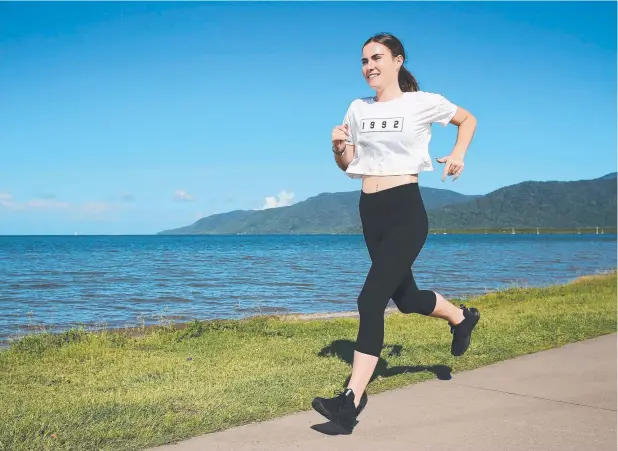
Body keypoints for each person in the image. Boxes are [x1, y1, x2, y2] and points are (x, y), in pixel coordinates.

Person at [311, 32, 481, 432]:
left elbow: (467, 119)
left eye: (377, 58)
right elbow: (350, 163)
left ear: (397, 60)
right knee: (405, 298)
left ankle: (350, 401)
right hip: (370, 211)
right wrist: (338, 148)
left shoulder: (422, 103)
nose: (369, 66)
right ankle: (461, 317)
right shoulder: (357, 108)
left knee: (370, 300)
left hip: (406, 210)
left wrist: (458, 154)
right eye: (364, 60)